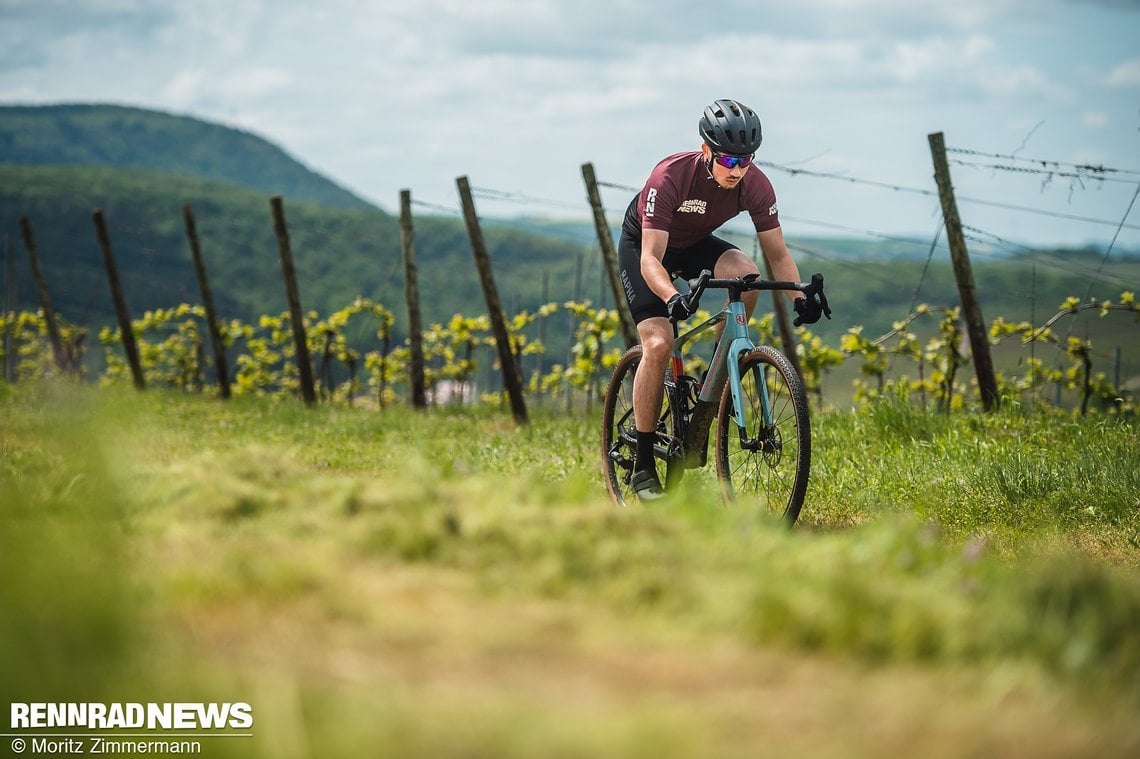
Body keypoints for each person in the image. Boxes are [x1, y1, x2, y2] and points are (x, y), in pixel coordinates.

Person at [617, 98, 825, 500]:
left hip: (694, 244)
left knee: (747, 274)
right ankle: (643, 464)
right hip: (647, 248)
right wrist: (671, 296)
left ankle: (720, 370)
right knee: (659, 344)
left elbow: (778, 255)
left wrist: (800, 296)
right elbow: (649, 259)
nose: (738, 170)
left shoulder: (756, 183)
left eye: (746, 161)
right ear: (706, 151)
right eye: (728, 161)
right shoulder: (670, 176)